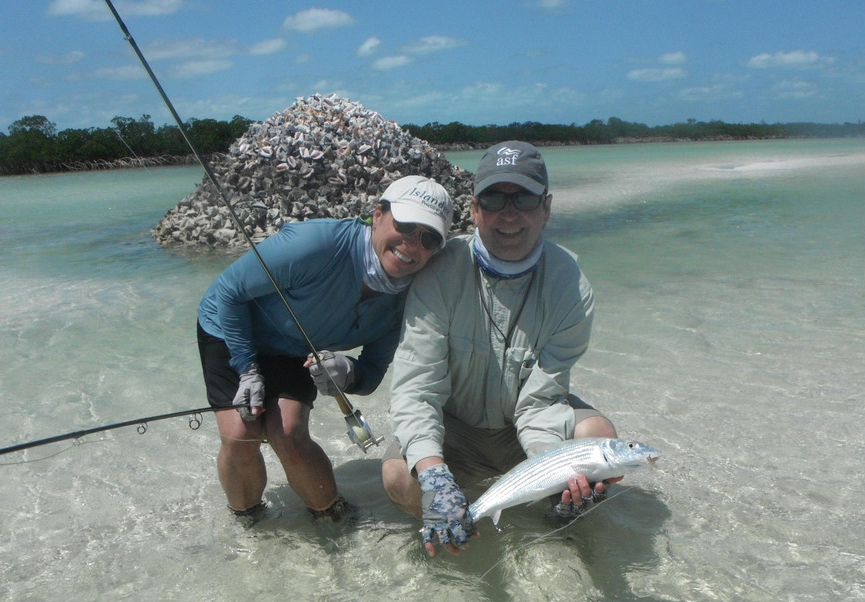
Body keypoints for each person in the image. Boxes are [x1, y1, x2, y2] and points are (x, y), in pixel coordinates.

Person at [382, 142, 618, 556]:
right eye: (493, 198)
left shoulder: (571, 286)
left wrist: (552, 469)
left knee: (598, 438)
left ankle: (558, 517)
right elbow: (416, 388)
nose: (509, 213)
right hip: (455, 427)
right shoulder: (439, 274)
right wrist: (434, 473)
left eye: (524, 198)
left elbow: (542, 400)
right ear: (474, 209)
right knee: (399, 475)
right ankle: (453, 529)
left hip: (521, 429)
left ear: (546, 208)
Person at [197, 175, 454, 524]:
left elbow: (373, 371)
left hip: (298, 346)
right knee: (241, 433)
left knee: (287, 433)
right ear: (378, 214)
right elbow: (229, 293)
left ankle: (334, 515)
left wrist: (347, 372)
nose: (412, 244)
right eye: (405, 225)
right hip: (230, 327)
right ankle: (248, 518)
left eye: (429, 237)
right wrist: (246, 368)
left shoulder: (412, 297)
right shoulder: (314, 243)